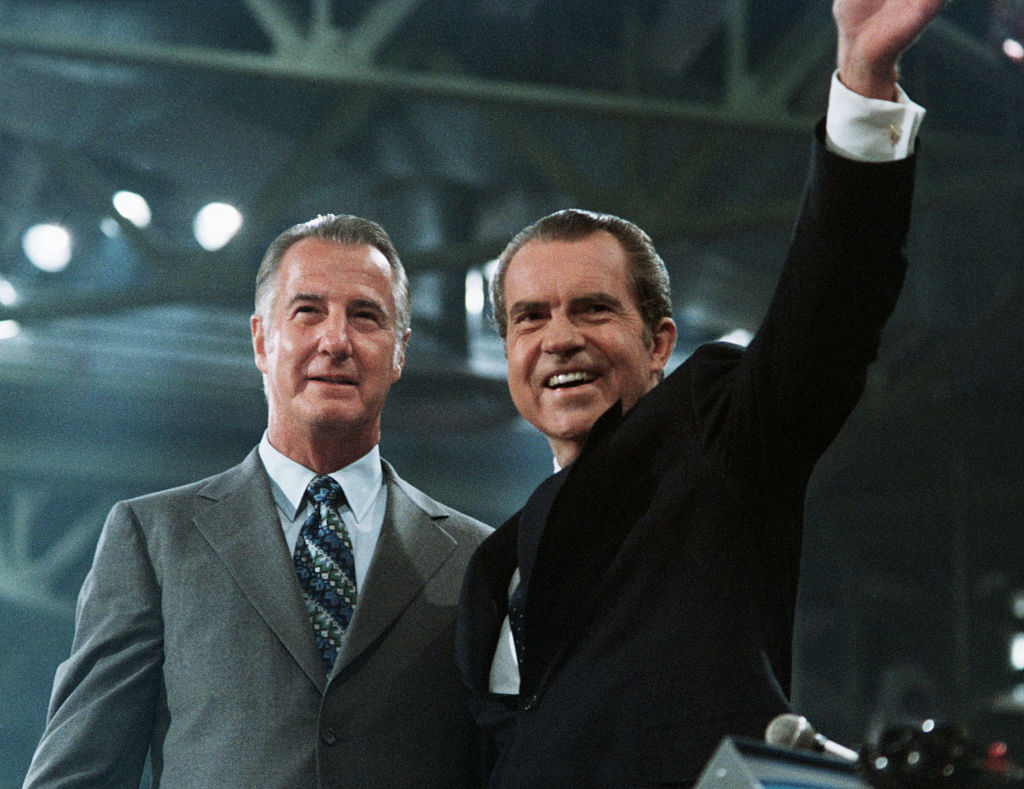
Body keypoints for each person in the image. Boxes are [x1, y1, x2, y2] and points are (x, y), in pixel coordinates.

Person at [455, 0, 947, 785]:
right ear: (508, 349)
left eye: (593, 309)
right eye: (530, 317)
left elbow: (829, 310)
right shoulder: (494, 566)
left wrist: (863, 79)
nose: (559, 338)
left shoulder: (712, 442)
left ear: (658, 343)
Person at [24, 214, 491, 788]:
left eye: (365, 316)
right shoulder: (154, 538)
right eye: (308, 311)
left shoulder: (478, 558)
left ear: (399, 353)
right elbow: (77, 775)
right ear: (261, 340)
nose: (336, 341)